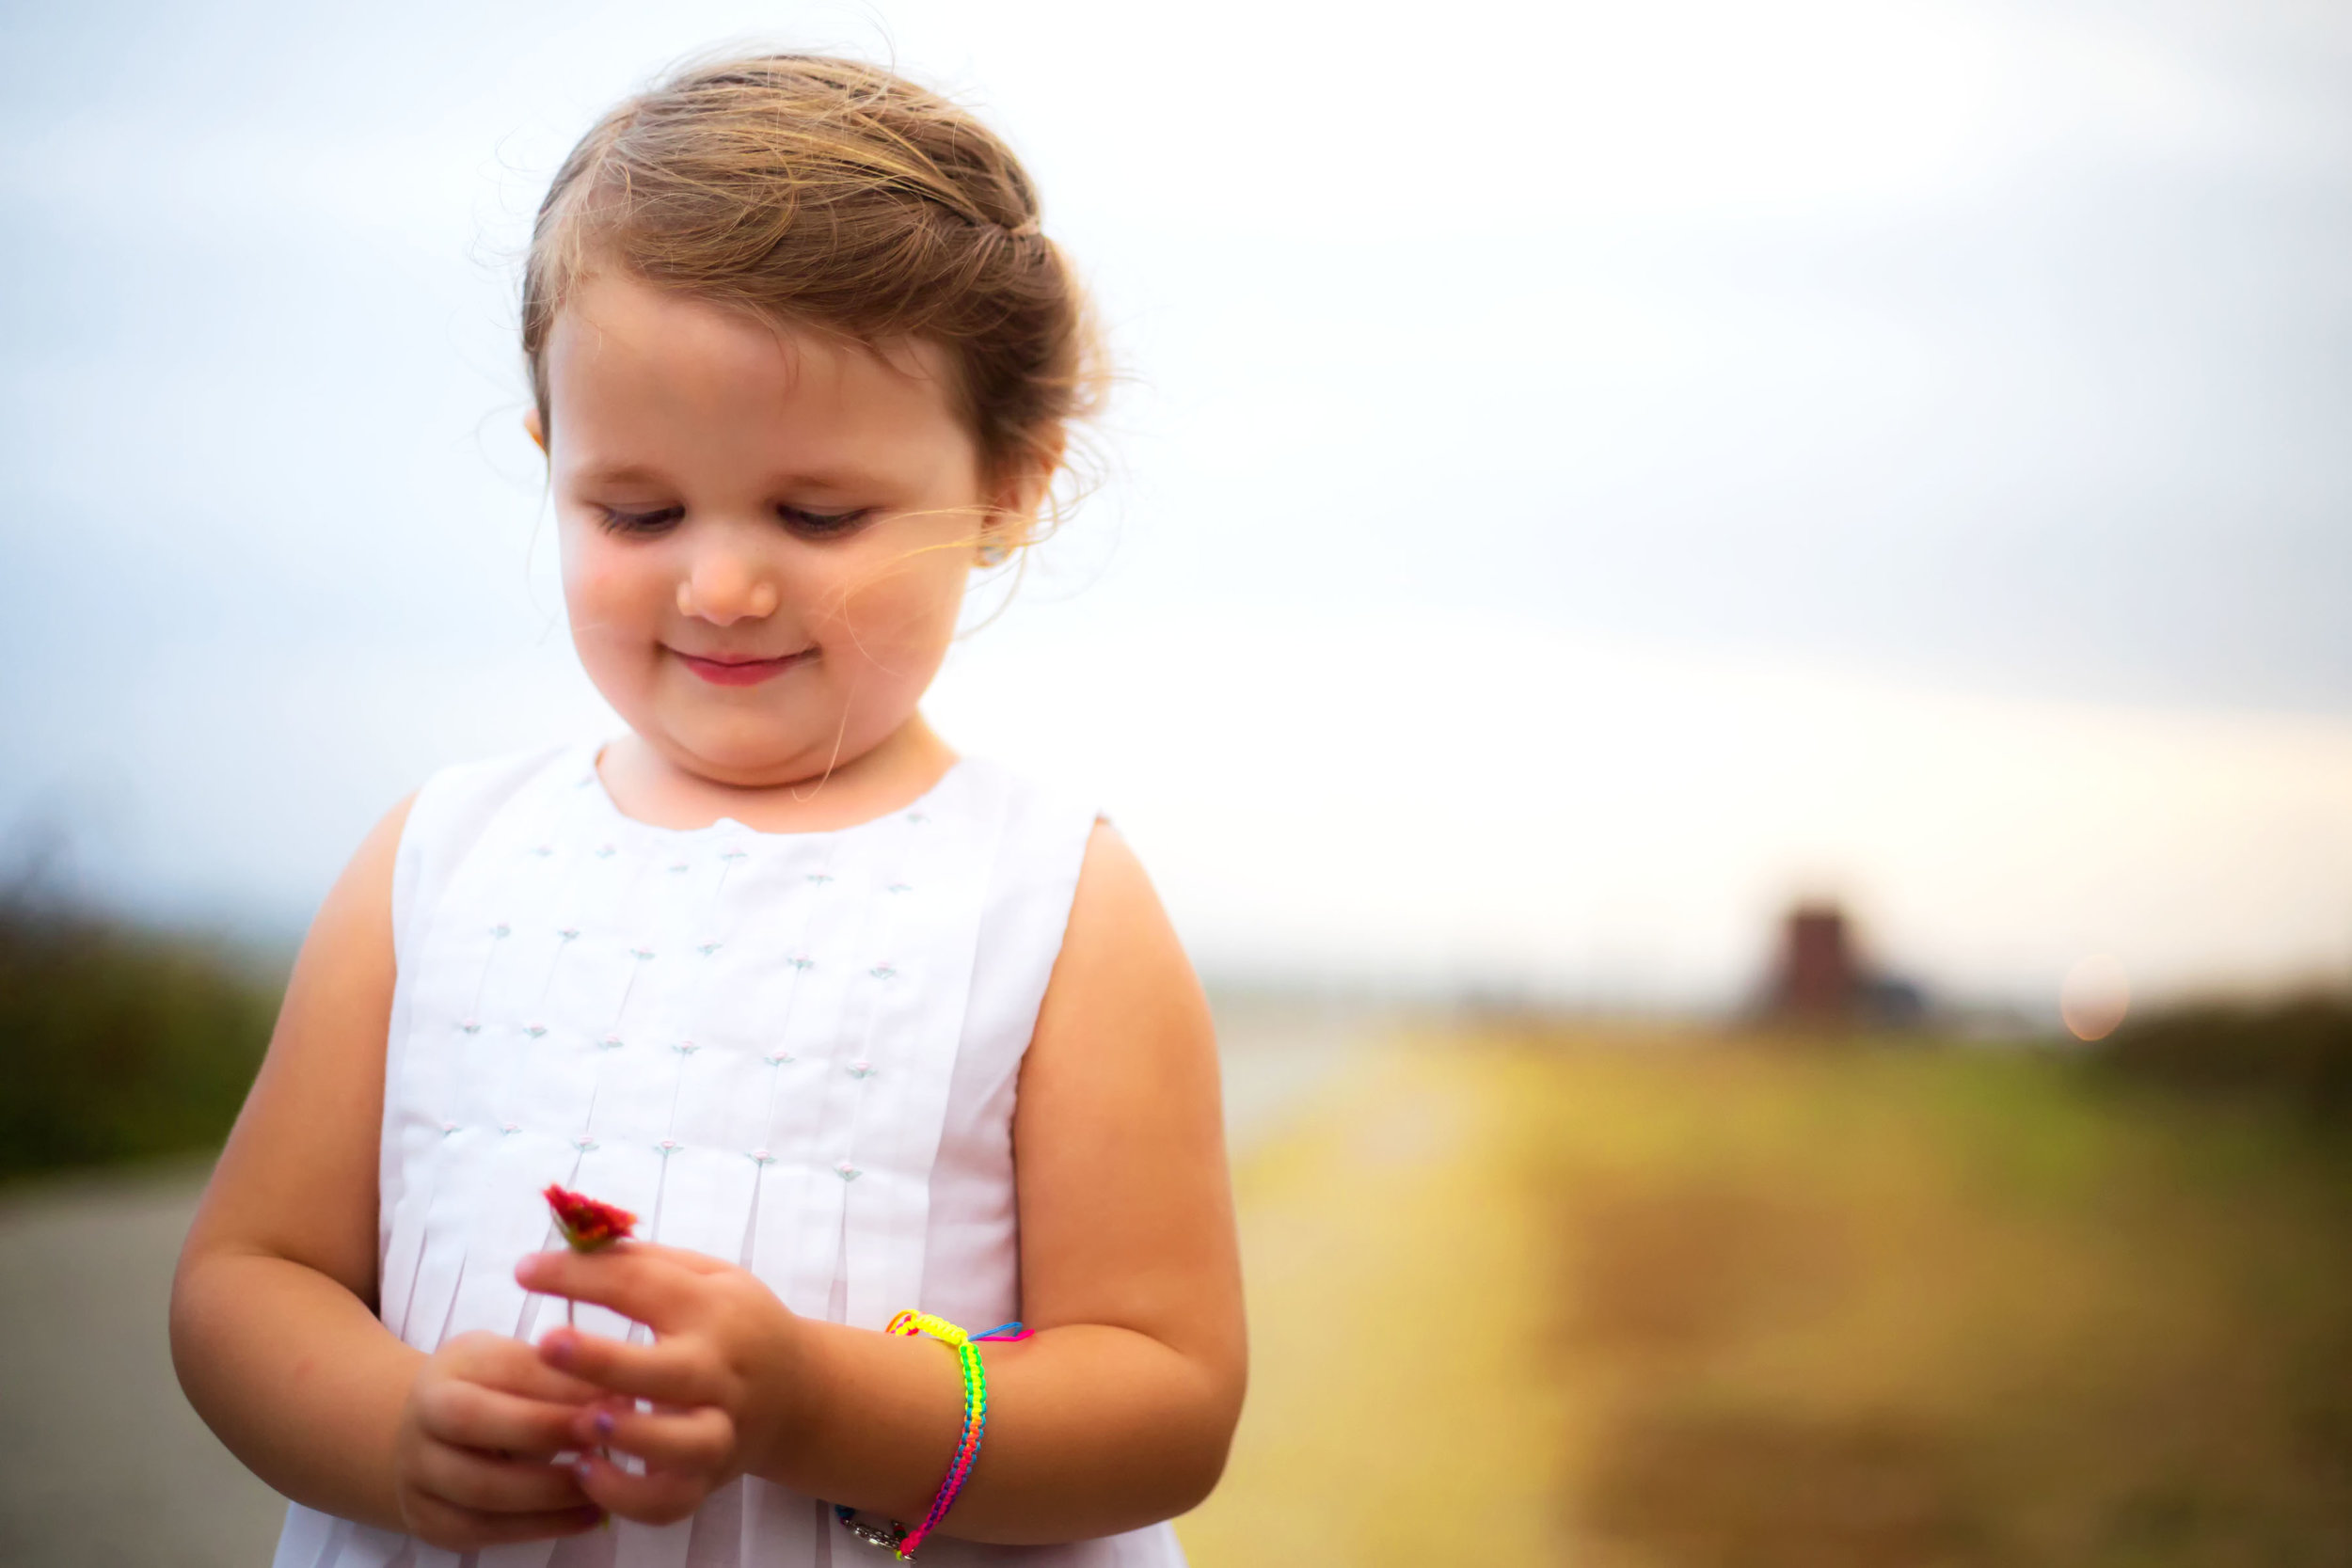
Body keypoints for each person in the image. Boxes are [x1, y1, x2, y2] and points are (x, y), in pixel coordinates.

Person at [170, 54, 1244, 1568]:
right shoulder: (441, 860)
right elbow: (245, 1278)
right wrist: (392, 1433)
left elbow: (1166, 1400)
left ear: (1008, 485)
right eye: (639, 511)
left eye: (819, 516)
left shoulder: (1051, 898)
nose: (723, 586)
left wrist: (813, 1402)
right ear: (551, 460)